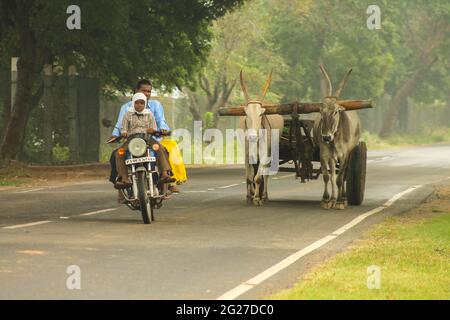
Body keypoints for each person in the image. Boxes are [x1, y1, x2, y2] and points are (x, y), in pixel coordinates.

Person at [108, 79, 181, 193]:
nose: (146, 94)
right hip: (132, 141)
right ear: (136, 92)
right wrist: (116, 135)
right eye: (144, 91)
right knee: (117, 154)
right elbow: (120, 125)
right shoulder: (127, 111)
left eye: (149, 92)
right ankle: (123, 180)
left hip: (149, 140)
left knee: (161, 149)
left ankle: (165, 177)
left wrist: (161, 131)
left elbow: (160, 122)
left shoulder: (152, 110)